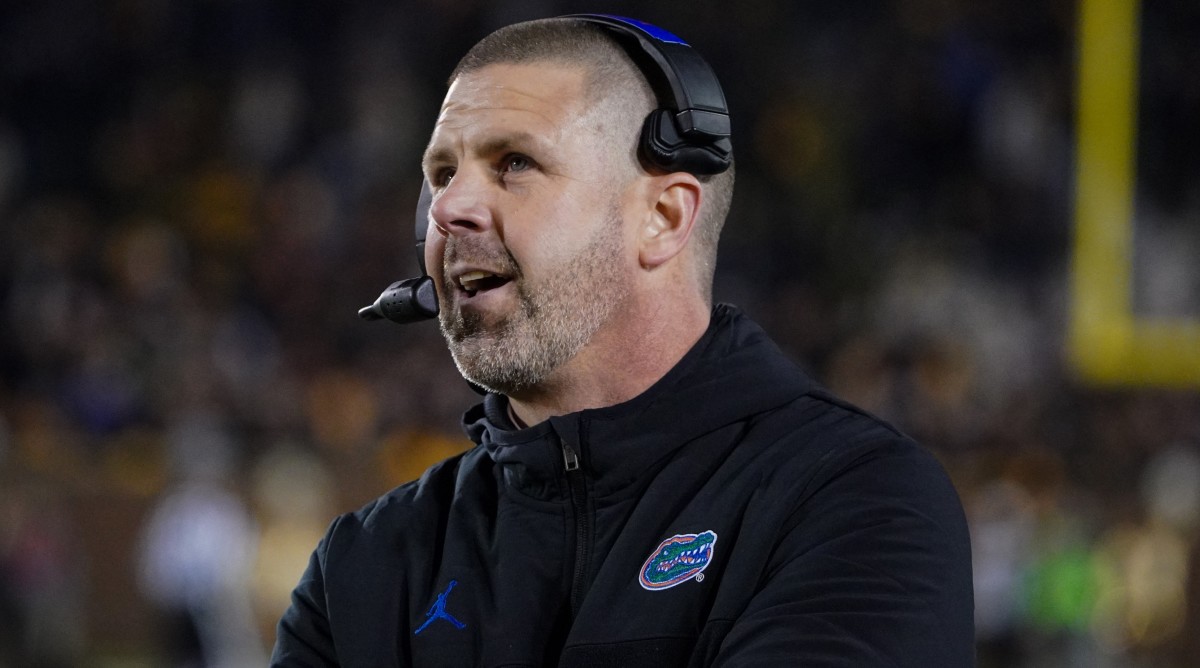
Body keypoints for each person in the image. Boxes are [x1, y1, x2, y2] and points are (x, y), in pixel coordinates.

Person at [271, 15, 974, 667]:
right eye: (442, 174)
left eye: (514, 162)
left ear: (664, 217)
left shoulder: (857, 501)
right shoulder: (361, 567)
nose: (449, 208)